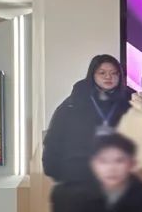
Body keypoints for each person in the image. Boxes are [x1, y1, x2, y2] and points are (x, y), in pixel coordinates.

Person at [43, 54, 134, 184]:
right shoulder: (74, 103)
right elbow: (55, 138)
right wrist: (56, 172)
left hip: (122, 179)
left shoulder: (132, 103)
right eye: (102, 73)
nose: (108, 77)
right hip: (81, 177)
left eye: (114, 73)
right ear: (92, 75)